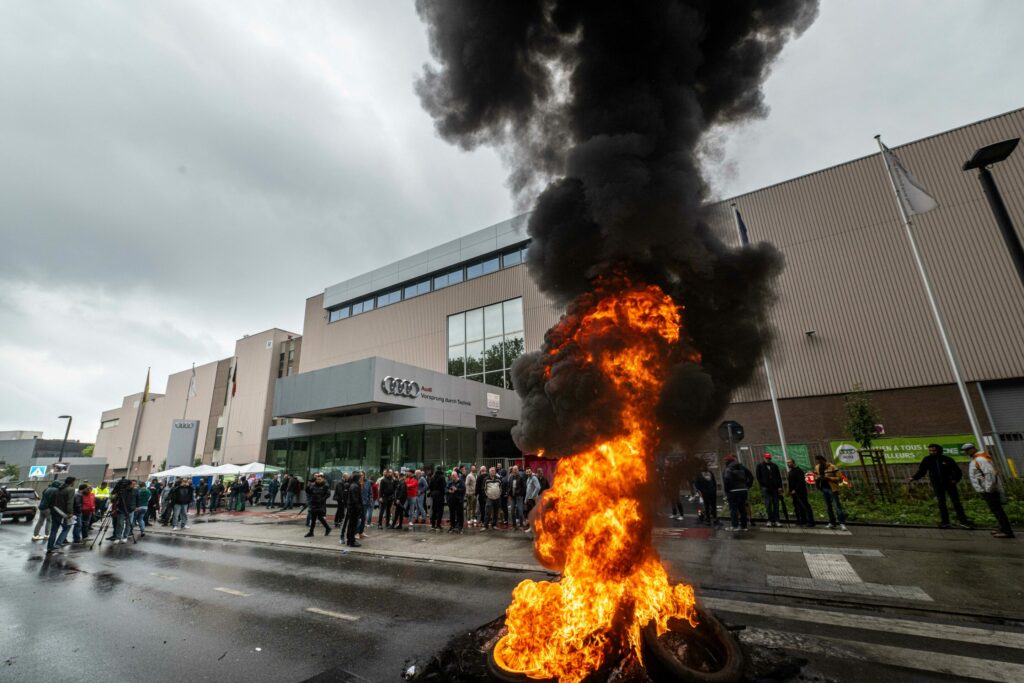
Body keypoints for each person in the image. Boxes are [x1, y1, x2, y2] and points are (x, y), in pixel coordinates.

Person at [908, 444, 973, 529]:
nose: (932, 452)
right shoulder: (927, 460)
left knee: (956, 502)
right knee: (941, 503)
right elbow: (922, 471)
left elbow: (958, 471)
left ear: (939, 450)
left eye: (934, 450)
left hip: (950, 484)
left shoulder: (947, 459)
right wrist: (914, 478)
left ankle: (963, 521)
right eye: (930, 451)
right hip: (937, 484)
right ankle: (945, 522)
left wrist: (955, 480)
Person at [965, 444, 1014, 539]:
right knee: (996, 510)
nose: (966, 452)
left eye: (968, 450)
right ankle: (1002, 528)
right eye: (965, 450)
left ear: (973, 449)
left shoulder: (980, 459)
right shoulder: (977, 459)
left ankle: (1007, 531)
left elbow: (990, 474)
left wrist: (988, 489)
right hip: (986, 489)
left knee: (998, 511)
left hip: (989, 490)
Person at [814, 455, 848, 530]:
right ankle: (832, 522)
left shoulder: (832, 467)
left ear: (823, 460)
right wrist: (817, 483)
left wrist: (828, 478)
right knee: (828, 507)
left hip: (832, 489)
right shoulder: (817, 467)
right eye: (817, 462)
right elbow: (816, 476)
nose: (819, 463)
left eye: (820, 461)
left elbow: (840, 478)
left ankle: (842, 523)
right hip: (824, 488)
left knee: (837, 506)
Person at [722, 455, 753, 532]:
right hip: (743, 490)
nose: (725, 462)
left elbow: (727, 479)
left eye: (726, 461)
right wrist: (747, 485)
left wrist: (727, 490)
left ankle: (735, 526)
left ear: (728, 461)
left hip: (733, 491)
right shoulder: (742, 467)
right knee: (742, 508)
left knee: (733, 509)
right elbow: (751, 476)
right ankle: (744, 526)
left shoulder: (728, 468)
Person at [47, 476, 77, 553]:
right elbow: (70, 502)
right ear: (72, 482)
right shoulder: (70, 489)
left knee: (54, 530)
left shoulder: (58, 489)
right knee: (67, 528)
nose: (74, 483)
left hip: (55, 511)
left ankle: (50, 547)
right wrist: (70, 512)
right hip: (63, 512)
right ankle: (58, 544)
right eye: (74, 482)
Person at [756, 453, 784, 527]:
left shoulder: (774, 466)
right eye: (767, 458)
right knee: (768, 504)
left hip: (775, 488)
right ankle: (769, 520)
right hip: (766, 488)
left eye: (769, 458)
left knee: (776, 504)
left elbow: (778, 477)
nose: (768, 459)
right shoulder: (760, 466)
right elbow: (758, 477)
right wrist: (763, 485)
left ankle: (777, 520)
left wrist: (780, 487)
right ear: (764, 458)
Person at [785, 459, 815, 527]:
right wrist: (789, 491)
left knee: (805, 506)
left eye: (789, 462)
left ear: (793, 463)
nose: (788, 464)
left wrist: (795, 489)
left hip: (800, 492)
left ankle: (810, 521)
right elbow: (790, 482)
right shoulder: (791, 471)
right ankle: (802, 520)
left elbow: (800, 481)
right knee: (798, 507)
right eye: (787, 463)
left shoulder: (798, 471)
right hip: (794, 493)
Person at [304, 473, 332, 537]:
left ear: (322, 479)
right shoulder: (313, 485)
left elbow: (328, 494)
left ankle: (327, 528)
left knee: (319, 517)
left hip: (320, 504)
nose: (318, 480)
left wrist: (322, 499)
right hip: (313, 503)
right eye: (317, 479)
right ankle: (312, 532)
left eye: (320, 479)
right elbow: (309, 491)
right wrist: (308, 486)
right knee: (314, 518)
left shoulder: (325, 485)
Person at [344, 472, 364, 547]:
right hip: (354, 509)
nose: (361, 479)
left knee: (351, 525)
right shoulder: (355, 486)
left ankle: (350, 540)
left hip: (352, 508)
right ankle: (352, 541)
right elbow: (355, 500)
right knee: (353, 525)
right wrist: (359, 508)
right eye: (360, 478)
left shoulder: (353, 485)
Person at [508, 465, 527, 530]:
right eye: (514, 469)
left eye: (516, 469)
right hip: (513, 497)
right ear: (512, 470)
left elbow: (524, 487)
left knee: (520, 511)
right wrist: (509, 494)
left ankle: (521, 525)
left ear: (518, 470)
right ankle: (514, 525)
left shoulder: (521, 477)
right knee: (512, 511)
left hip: (519, 497)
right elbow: (509, 486)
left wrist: (521, 494)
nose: (515, 471)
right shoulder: (511, 477)